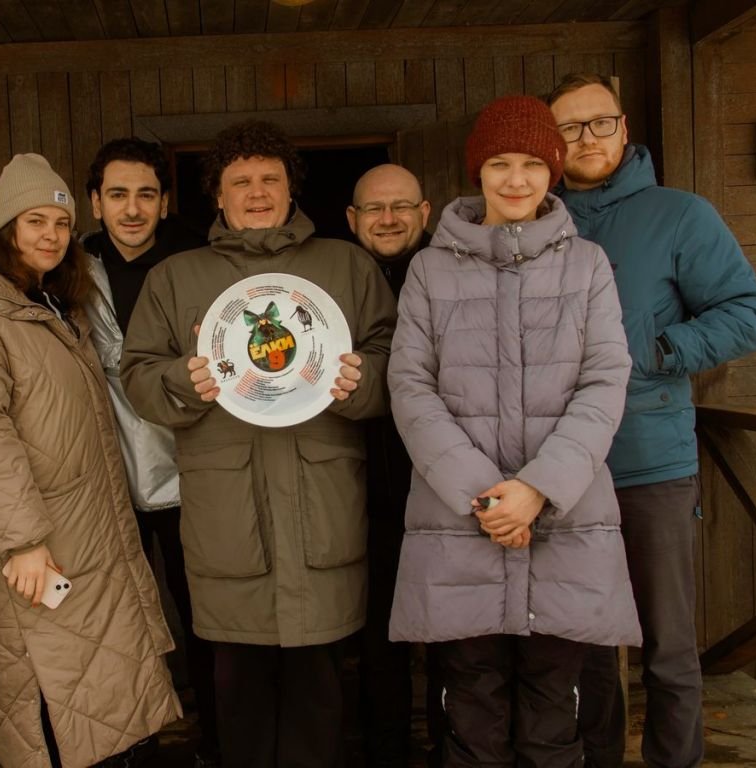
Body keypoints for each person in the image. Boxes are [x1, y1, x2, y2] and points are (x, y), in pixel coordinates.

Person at [120, 120, 397, 768]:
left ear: (291, 189)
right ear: (217, 195)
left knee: (320, 690)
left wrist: (363, 381)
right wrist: (180, 381)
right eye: (240, 181)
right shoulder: (176, 277)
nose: (256, 192)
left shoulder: (346, 266)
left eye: (270, 178)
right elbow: (137, 375)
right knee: (237, 692)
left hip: (322, 510)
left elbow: (396, 358)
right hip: (229, 521)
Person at [387, 95, 642, 767]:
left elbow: (604, 381)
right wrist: (488, 497)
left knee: (554, 717)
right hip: (460, 525)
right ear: (478, 171)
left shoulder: (586, 265)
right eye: (500, 163)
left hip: (566, 522)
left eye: (532, 163)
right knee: (471, 715)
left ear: (552, 170)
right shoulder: (430, 269)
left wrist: (537, 490)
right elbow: (410, 388)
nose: (516, 179)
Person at [0, 153, 181, 768]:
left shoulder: (55, 305)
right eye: (34, 221)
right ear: (6, 229)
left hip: (91, 529)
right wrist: (22, 540)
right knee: (56, 683)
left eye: (61, 223)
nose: (50, 235)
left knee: (108, 682)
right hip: (39, 541)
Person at [548, 73, 756, 768]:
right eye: (569, 127)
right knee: (580, 642)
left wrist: (657, 351)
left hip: (649, 460)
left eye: (599, 122)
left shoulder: (680, 214)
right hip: (561, 469)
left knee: (667, 643)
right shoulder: (537, 221)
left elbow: (746, 310)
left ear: (624, 128)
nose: (586, 138)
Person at [82, 138, 219, 768]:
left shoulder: (201, 262)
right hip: (106, 472)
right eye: (117, 195)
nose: (132, 209)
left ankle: (217, 742)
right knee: (120, 615)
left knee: (205, 613)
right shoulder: (72, 269)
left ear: (165, 202)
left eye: (145, 194)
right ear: (95, 203)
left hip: (195, 468)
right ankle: (133, 746)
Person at [346, 163, 431, 767]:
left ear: (425, 213)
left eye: (402, 206)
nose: (389, 219)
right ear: (352, 219)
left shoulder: (450, 272)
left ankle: (453, 745)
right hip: (361, 488)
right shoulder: (328, 282)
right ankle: (386, 749)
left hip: (443, 486)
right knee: (377, 631)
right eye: (374, 208)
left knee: (454, 631)